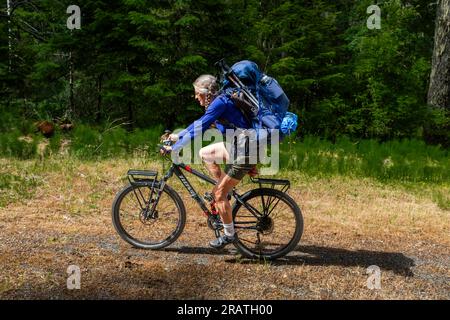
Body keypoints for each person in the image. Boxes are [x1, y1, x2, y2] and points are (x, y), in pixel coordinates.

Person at [160, 74, 256, 248]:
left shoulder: (220, 103)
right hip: (239, 146)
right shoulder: (219, 102)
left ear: (206, 93)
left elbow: (200, 127)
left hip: (244, 151)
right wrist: (176, 136)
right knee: (206, 153)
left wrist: (174, 148)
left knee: (218, 194)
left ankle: (228, 234)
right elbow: (199, 124)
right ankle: (224, 192)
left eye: (198, 94)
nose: (196, 97)